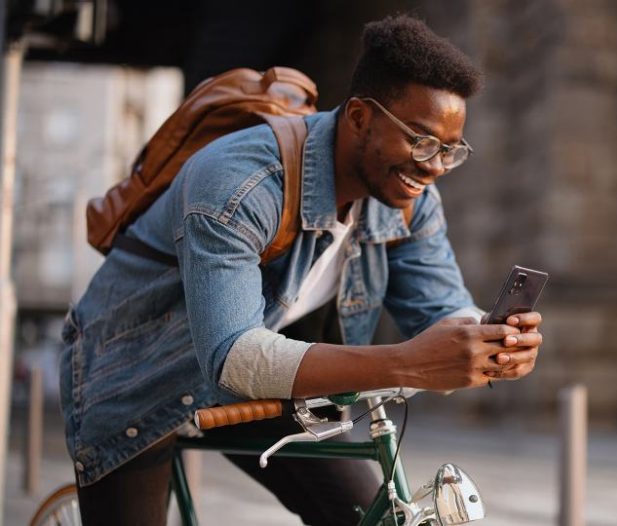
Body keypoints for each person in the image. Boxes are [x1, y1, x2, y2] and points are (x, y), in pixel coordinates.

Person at [59, 14, 543, 525]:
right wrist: (406, 362)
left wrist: (486, 340)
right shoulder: (240, 184)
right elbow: (234, 356)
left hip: (266, 373)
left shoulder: (407, 200)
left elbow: (440, 309)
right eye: (422, 142)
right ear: (359, 118)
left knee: (367, 518)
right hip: (140, 372)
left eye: (451, 151)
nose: (435, 166)